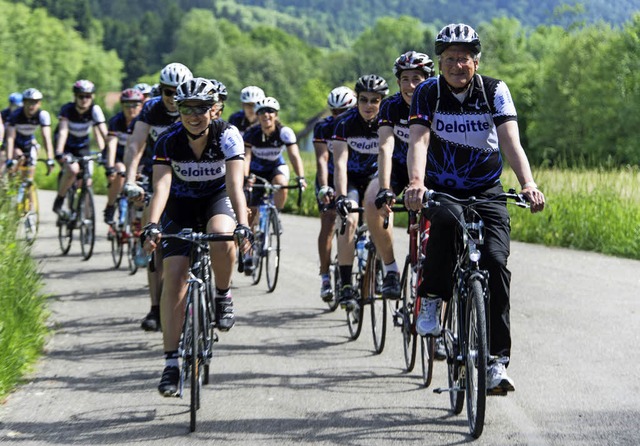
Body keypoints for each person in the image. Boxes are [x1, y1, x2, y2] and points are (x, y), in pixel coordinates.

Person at [405, 23, 546, 393]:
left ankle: (496, 362)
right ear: (440, 62)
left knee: (496, 263)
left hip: (486, 189)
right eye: (450, 58)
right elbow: (418, 141)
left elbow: (510, 141)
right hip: (442, 186)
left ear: (476, 62)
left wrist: (528, 183)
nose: (457, 64)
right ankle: (432, 299)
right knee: (445, 226)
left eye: (464, 58)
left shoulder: (495, 90)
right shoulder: (426, 93)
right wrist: (417, 183)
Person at [140, 78, 251, 396]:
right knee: (173, 276)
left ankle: (222, 295)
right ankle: (171, 364)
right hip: (180, 205)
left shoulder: (228, 135)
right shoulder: (169, 140)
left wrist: (242, 224)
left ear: (213, 109)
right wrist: (152, 224)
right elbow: (160, 187)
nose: (193, 114)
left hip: (216, 200)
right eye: (186, 107)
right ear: (178, 108)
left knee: (221, 233)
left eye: (201, 108)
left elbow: (235, 186)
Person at [123, 62, 193, 332]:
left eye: (177, 92)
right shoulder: (151, 108)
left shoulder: (194, 107)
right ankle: (155, 307)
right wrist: (130, 179)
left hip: (189, 176)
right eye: (167, 92)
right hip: (157, 174)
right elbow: (135, 145)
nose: (172, 98)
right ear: (160, 90)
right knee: (158, 245)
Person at [363, 51, 434, 300]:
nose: (411, 85)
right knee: (372, 200)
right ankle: (390, 268)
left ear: (429, 79)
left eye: (417, 78)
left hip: (432, 169)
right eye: (405, 79)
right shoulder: (391, 106)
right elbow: (385, 146)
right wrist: (384, 188)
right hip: (398, 167)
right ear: (398, 82)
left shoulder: (438, 103)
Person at [331, 74, 389, 310]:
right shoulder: (345, 123)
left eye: (374, 100)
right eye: (363, 100)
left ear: (382, 101)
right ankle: (346, 285)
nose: (368, 105)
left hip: (376, 178)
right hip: (352, 180)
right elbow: (340, 163)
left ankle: (380, 270)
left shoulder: (388, 122)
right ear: (356, 100)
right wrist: (341, 195)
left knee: (383, 218)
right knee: (350, 220)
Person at [242, 96, 307, 272]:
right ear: (258, 115)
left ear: (276, 114)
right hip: (256, 170)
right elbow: (247, 157)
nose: (266, 115)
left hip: (275, 167)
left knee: (281, 183)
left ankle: (276, 214)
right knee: (250, 212)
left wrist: (301, 177)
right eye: (262, 112)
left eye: (270, 111)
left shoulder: (284, 132)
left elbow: (294, 156)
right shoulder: (251, 133)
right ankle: (248, 253)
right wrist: (246, 177)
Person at [313, 86, 357, 301]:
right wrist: (324, 186)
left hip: (353, 179)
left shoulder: (362, 125)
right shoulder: (323, 127)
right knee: (329, 221)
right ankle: (325, 276)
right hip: (329, 179)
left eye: (344, 111)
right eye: (334, 112)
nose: (339, 116)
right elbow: (322, 159)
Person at [52, 80, 108, 216]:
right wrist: (59, 152)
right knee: (73, 170)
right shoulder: (67, 109)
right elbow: (63, 131)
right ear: (75, 97)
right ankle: (59, 201)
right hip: (66, 145)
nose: (84, 99)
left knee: (87, 180)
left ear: (92, 97)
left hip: (83, 146)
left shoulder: (95, 110)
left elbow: (103, 132)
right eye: (81, 96)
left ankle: (82, 212)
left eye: (88, 96)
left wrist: (109, 152)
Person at [103, 88, 145, 224]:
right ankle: (110, 207)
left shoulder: (144, 121)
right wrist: (110, 167)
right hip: (118, 156)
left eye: (135, 105)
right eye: (127, 105)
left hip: (138, 158)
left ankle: (138, 217)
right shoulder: (116, 121)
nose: (131, 108)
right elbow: (111, 145)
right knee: (120, 173)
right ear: (122, 106)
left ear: (142, 105)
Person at [4, 88, 55, 179]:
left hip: (28, 142)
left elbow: (46, 138)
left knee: (29, 176)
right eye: (28, 102)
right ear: (23, 102)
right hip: (15, 143)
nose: (31, 105)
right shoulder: (15, 115)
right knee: (18, 156)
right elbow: (10, 138)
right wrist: (9, 159)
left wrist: (50, 158)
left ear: (39, 103)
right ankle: (11, 181)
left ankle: (27, 186)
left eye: (34, 102)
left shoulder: (43, 115)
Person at [1, 92, 24, 170]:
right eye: (15, 106)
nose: (17, 108)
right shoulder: (3, 114)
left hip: (17, 141)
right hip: (4, 141)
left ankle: (14, 175)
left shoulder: (21, 115)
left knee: (21, 157)